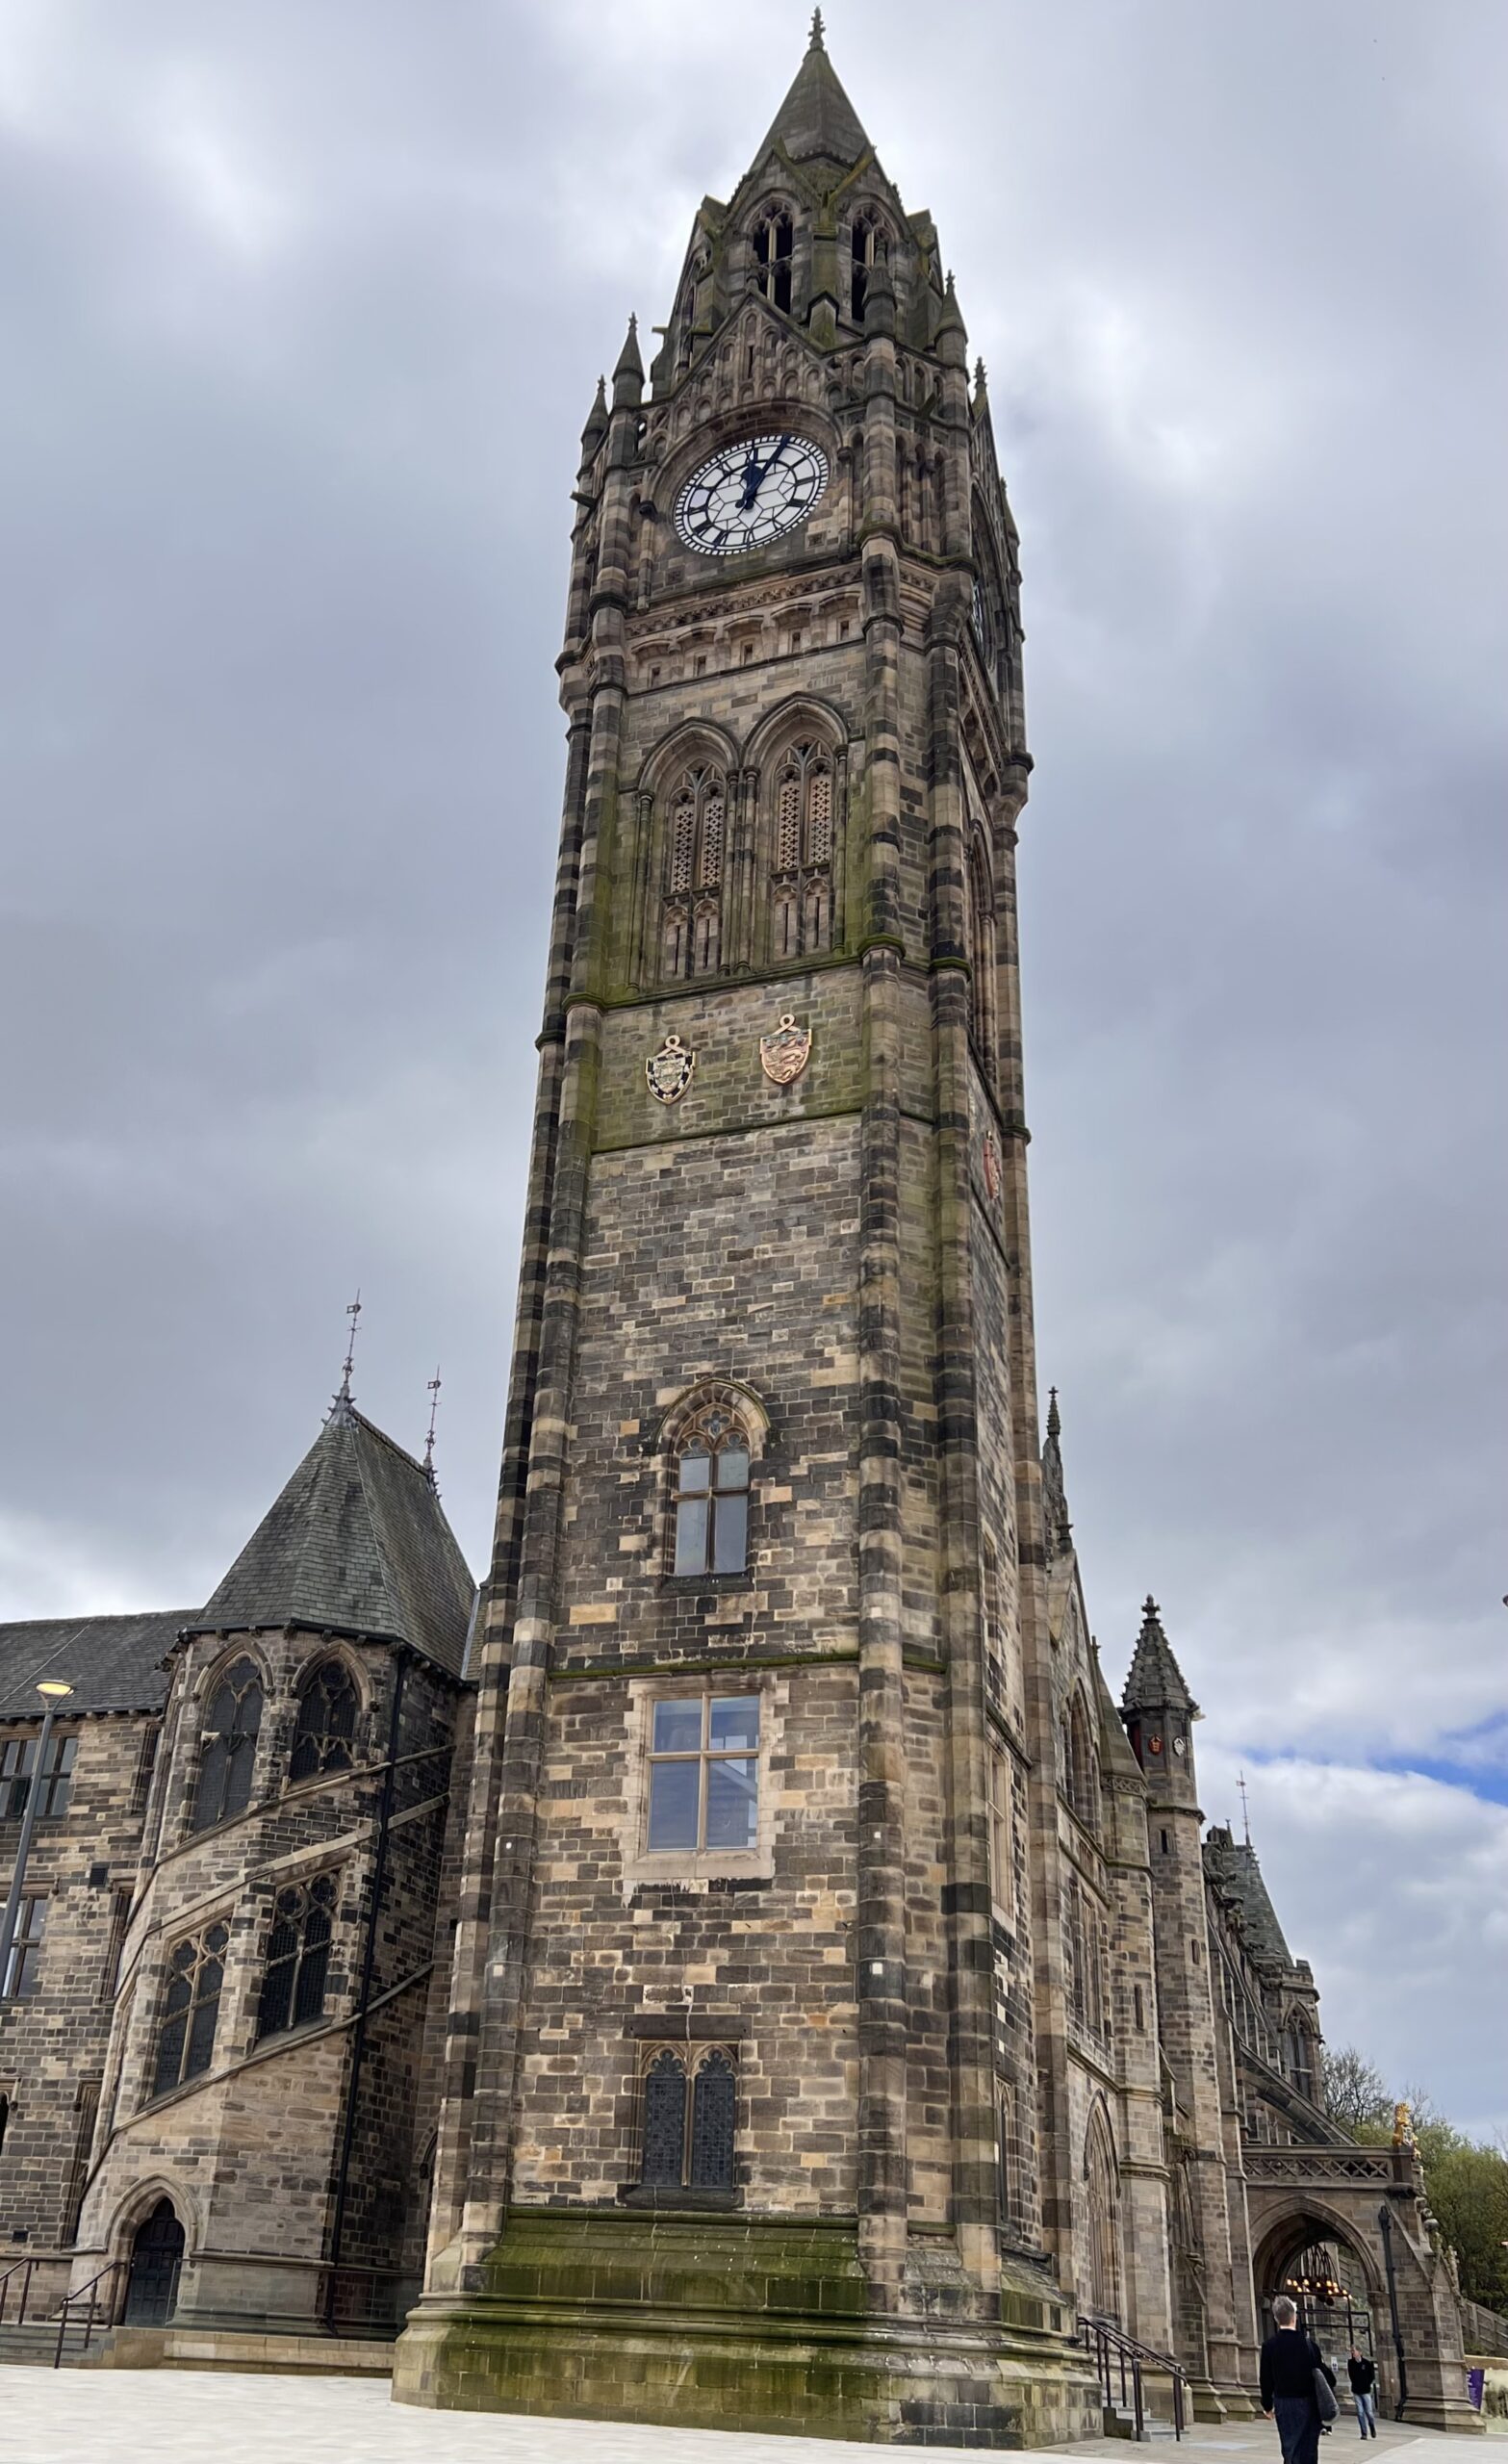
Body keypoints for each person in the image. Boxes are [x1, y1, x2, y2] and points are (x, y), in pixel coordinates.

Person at [1261, 2296, 1339, 2464]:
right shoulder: (1310, 2346)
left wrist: (1267, 2406)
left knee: (1290, 2450)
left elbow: (1265, 2380)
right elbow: (1326, 2377)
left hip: (1284, 2404)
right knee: (1309, 2451)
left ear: (1276, 2318)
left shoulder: (1269, 2346)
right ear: (1294, 2316)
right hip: (1309, 2404)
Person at [1347, 2347, 1379, 2439]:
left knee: (1369, 2412)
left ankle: (1372, 2426)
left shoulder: (1367, 2363)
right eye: (1352, 2352)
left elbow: (1371, 2376)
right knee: (1360, 2412)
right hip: (1356, 2390)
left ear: (1360, 2353)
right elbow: (1351, 2375)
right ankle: (1364, 2432)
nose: (1353, 2353)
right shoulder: (1351, 2363)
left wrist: (1366, 2383)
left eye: (1355, 2352)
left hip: (1365, 2391)